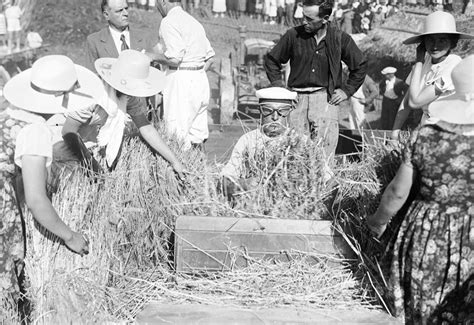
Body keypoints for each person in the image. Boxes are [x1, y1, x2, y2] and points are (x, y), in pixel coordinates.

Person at [366, 55, 473, 324]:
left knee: (424, 308)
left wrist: (377, 222)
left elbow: (397, 193)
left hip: (428, 233)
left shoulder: (424, 136)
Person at [1, 55, 99, 316]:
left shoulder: (9, 114)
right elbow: (35, 199)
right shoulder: (34, 131)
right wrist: (70, 235)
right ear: (63, 99)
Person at [264, 0, 367, 158]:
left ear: (325, 19)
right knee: (295, 153)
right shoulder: (293, 35)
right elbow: (271, 60)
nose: (304, 22)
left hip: (326, 100)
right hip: (296, 101)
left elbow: (359, 65)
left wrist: (347, 91)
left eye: (310, 19)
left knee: (324, 154)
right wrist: (280, 88)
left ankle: (323, 182)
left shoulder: (340, 38)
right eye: (303, 16)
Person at [62, 50, 186, 176]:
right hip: (63, 138)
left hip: (87, 139)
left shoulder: (128, 94)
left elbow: (146, 128)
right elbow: (68, 132)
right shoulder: (91, 93)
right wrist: (91, 166)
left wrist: (174, 161)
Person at [391, 11, 474, 139]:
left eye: (442, 40)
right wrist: (394, 133)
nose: (435, 46)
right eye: (430, 40)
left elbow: (415, 103)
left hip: (447, 130)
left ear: (453, 43)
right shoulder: (425, 63)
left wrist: (418, 61)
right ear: (423, 43)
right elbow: (407, 101)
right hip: (426, 127)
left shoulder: (453, 65)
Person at [148, 0, 215, 150]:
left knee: (176, 135)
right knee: (197, 135)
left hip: (181, 79)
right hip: (200, 78)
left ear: (164, 1)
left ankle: (179, 171)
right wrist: (195, 75)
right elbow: (210, 58)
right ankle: (199, 170)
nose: (157, 6)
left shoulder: (168, 21)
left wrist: (151, 56)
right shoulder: (193, 22)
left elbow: (175, 58)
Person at [221, 87, 300, 196]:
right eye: (268, 110)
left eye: (282, 111)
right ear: (260, 111)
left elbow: (327, 179)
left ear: (290, 111)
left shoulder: (300, 141)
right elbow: (225, 181)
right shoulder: (248, 140)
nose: (275, 117)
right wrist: (243, 184)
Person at [85, 0, 155, 73]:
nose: (126, 13)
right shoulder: (94, 41)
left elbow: (154, 72)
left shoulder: (144, 37)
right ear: (106, 15)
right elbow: (91, 76)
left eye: (126, 8)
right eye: (119, 11)